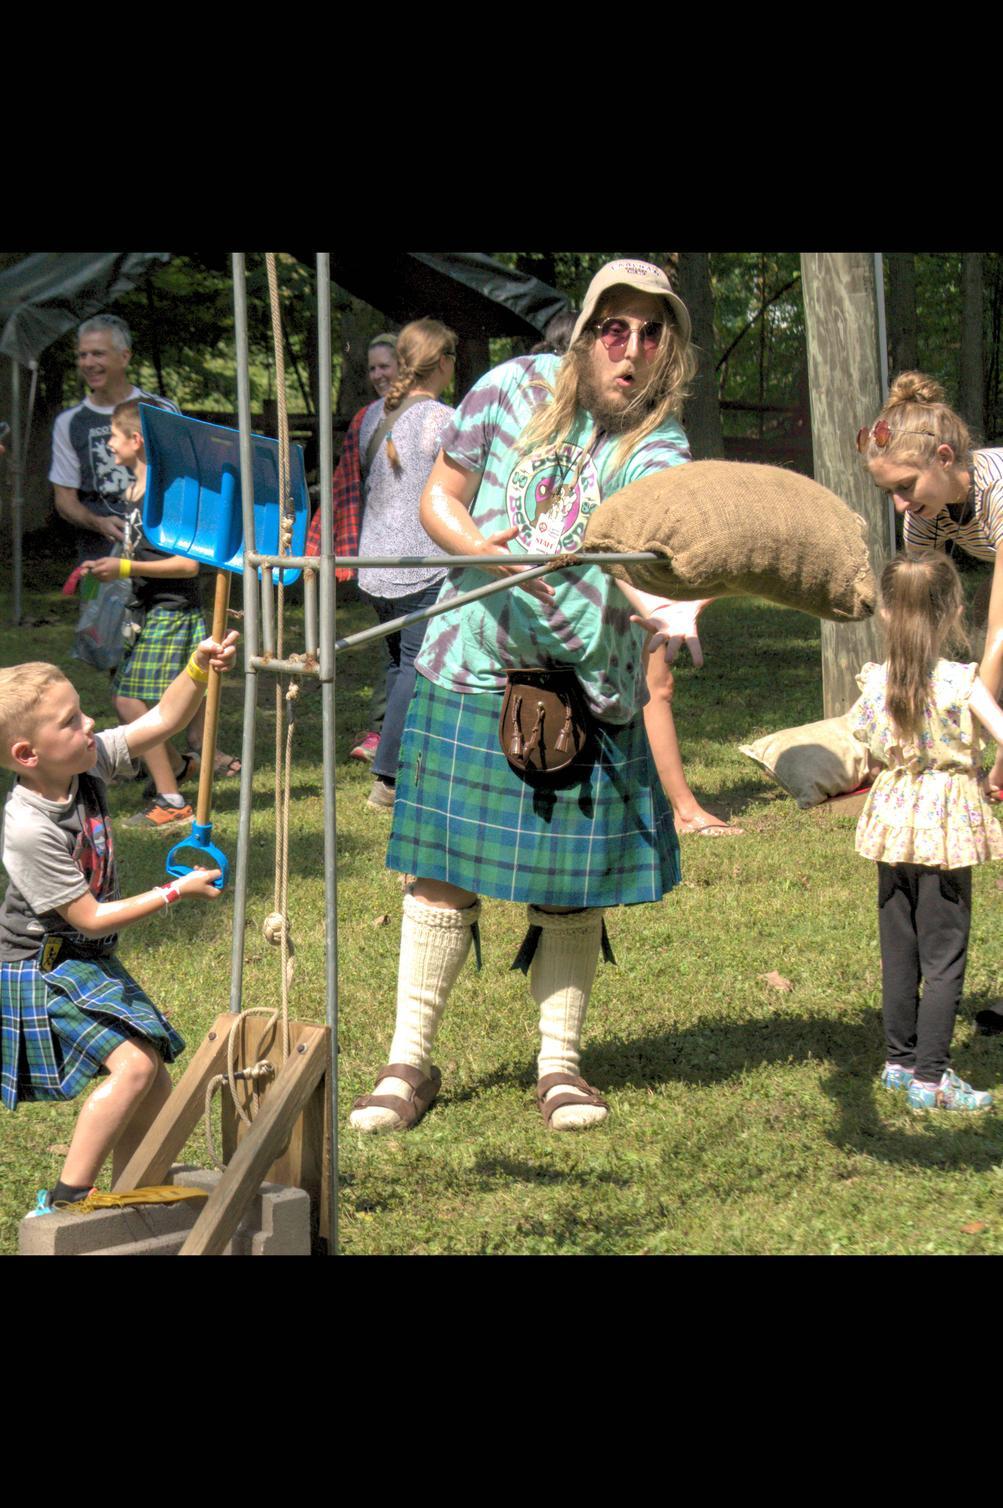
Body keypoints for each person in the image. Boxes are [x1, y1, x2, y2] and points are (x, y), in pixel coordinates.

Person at [351, 257, 705, 1136]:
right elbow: (442, 496)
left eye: (651, 332)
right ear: (584, 332)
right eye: (613, 328)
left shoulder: (660, 449)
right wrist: (480, 550)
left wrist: (664, 602)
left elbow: (643, 566)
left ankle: (560, 1067)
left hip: (590, 681)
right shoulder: (506, 389)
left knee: (569, 888)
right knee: (437, 877)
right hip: (470, 664)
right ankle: (406, 1064)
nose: (631, 348)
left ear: (670, 349)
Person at [0, 630, 239, 1215]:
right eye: (69, 721)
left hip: (83, 955)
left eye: (82, 712)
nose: (88, 726)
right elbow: (90, 914)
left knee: (151, 1076)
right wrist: (173, 891)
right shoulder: (28, 828)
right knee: (133, 1068)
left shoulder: (83, 763)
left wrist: (197, 669)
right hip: (40, 965)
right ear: (27, 755)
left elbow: (158, 722)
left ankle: (128, 1189)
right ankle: (66, 1201)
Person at [858, 370, 1003, 1032]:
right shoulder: (928, 510)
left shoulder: (998, 493)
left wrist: (980, 740)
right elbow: (917, 611)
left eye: (903, 489)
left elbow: (1000, 628)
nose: (898, 505)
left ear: (944, 458)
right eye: (888, 491)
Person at [849, 554, 1002, 1110]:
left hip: (893, 822)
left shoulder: (878, 681)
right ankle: (931, 1081)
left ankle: (898, 1062)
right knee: (944, 956)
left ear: (886, 613)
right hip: (947, 828)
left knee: (901, 950)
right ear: (956, 610)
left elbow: (861, 740)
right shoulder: (962, 682)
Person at [80, 398, 240, 828]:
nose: (109, 444)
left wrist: (126, 566)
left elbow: (190, 565)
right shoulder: (134, 490)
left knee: (129, 700)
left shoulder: (165, 494)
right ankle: (179, 768)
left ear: (135, 440)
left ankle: (172, 798)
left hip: (173, 611)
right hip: (148, 611)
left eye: (114, 435)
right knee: (131, 697)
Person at [357, 320, 457, 812]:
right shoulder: (441, 420)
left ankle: (400, 768)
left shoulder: (375, 413)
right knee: (414, 669)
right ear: (442, 363)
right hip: (422, 565)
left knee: (400, 666)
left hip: (375, 564)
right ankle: (390, 778)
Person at [306, 332, 399, 764]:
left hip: (426, 547)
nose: (379, 374)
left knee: (403, 644)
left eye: (387, 364)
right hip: (377, 547)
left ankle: (388, 730)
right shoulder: (366, 419)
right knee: (395, 643)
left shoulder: (438, 415)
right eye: (373, 367)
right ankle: (385, 731)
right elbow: (346, 484)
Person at [49, 314, 179, 564]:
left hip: (159, 555)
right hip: (98, 557)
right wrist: (98, 523)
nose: (88, 363)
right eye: (82, 355)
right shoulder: (69, 422)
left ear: (125, 356)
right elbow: (64, 499)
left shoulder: (160, 410)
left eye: (98, 354)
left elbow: (184, 481)